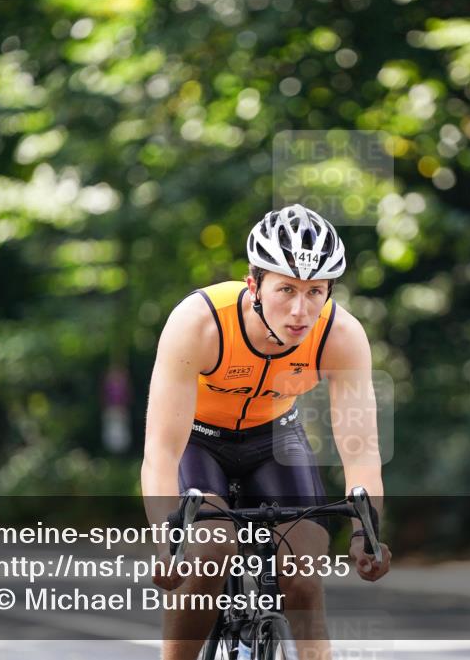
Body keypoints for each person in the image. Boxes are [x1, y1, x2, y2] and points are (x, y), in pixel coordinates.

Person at [142, 204, 392, 660]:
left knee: (304, 575)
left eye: (316, 291)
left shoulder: (341, 335)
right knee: (210, 550)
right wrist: (166, 541)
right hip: (197, 442)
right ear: (253, 284)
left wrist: (365, 534)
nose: (300, 310)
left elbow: (360, 449)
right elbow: (161, 449)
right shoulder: (199, 323)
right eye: (286, 290)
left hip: (274, 438)